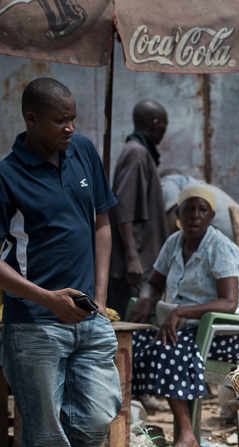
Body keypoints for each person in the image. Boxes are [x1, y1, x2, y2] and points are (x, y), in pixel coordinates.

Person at [0, 78, 121, 447]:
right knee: (45, 434)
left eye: (74, 117)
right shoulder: (3, 179)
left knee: (99, 416)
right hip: (33, 324)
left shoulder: (82, 154)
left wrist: (98, 295)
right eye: (60, 119)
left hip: (88, 318)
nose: (70, 127)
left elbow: (102, 221)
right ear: (31, 119)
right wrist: (46, 299)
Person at [127, 184, 239, 447]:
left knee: (170, 350)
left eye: (201, 209)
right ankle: (133, 430)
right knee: (133, 345)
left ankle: (188, 440)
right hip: (187, 328)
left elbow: (228, 303)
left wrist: (180, 310)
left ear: (211, 215)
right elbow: (153, 283)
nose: (194, 215)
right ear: (178, 213)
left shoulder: (220, 247)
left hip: (223, 332)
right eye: (188, 209)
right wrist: (145, 299)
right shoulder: (173, 243)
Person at [108, 100, 170, 317]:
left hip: (140, 262)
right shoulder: (137, 154)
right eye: (164, 125)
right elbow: (122, 206)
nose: (164, 131)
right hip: (134, 267)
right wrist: (133, 257)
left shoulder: (141, 152)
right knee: (130, 328)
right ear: (155, 124)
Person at [160, 171, 239, 278]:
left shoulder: (168, 181)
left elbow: (173, 218)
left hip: (234, 238)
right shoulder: (202, 186)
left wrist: (162, 254)